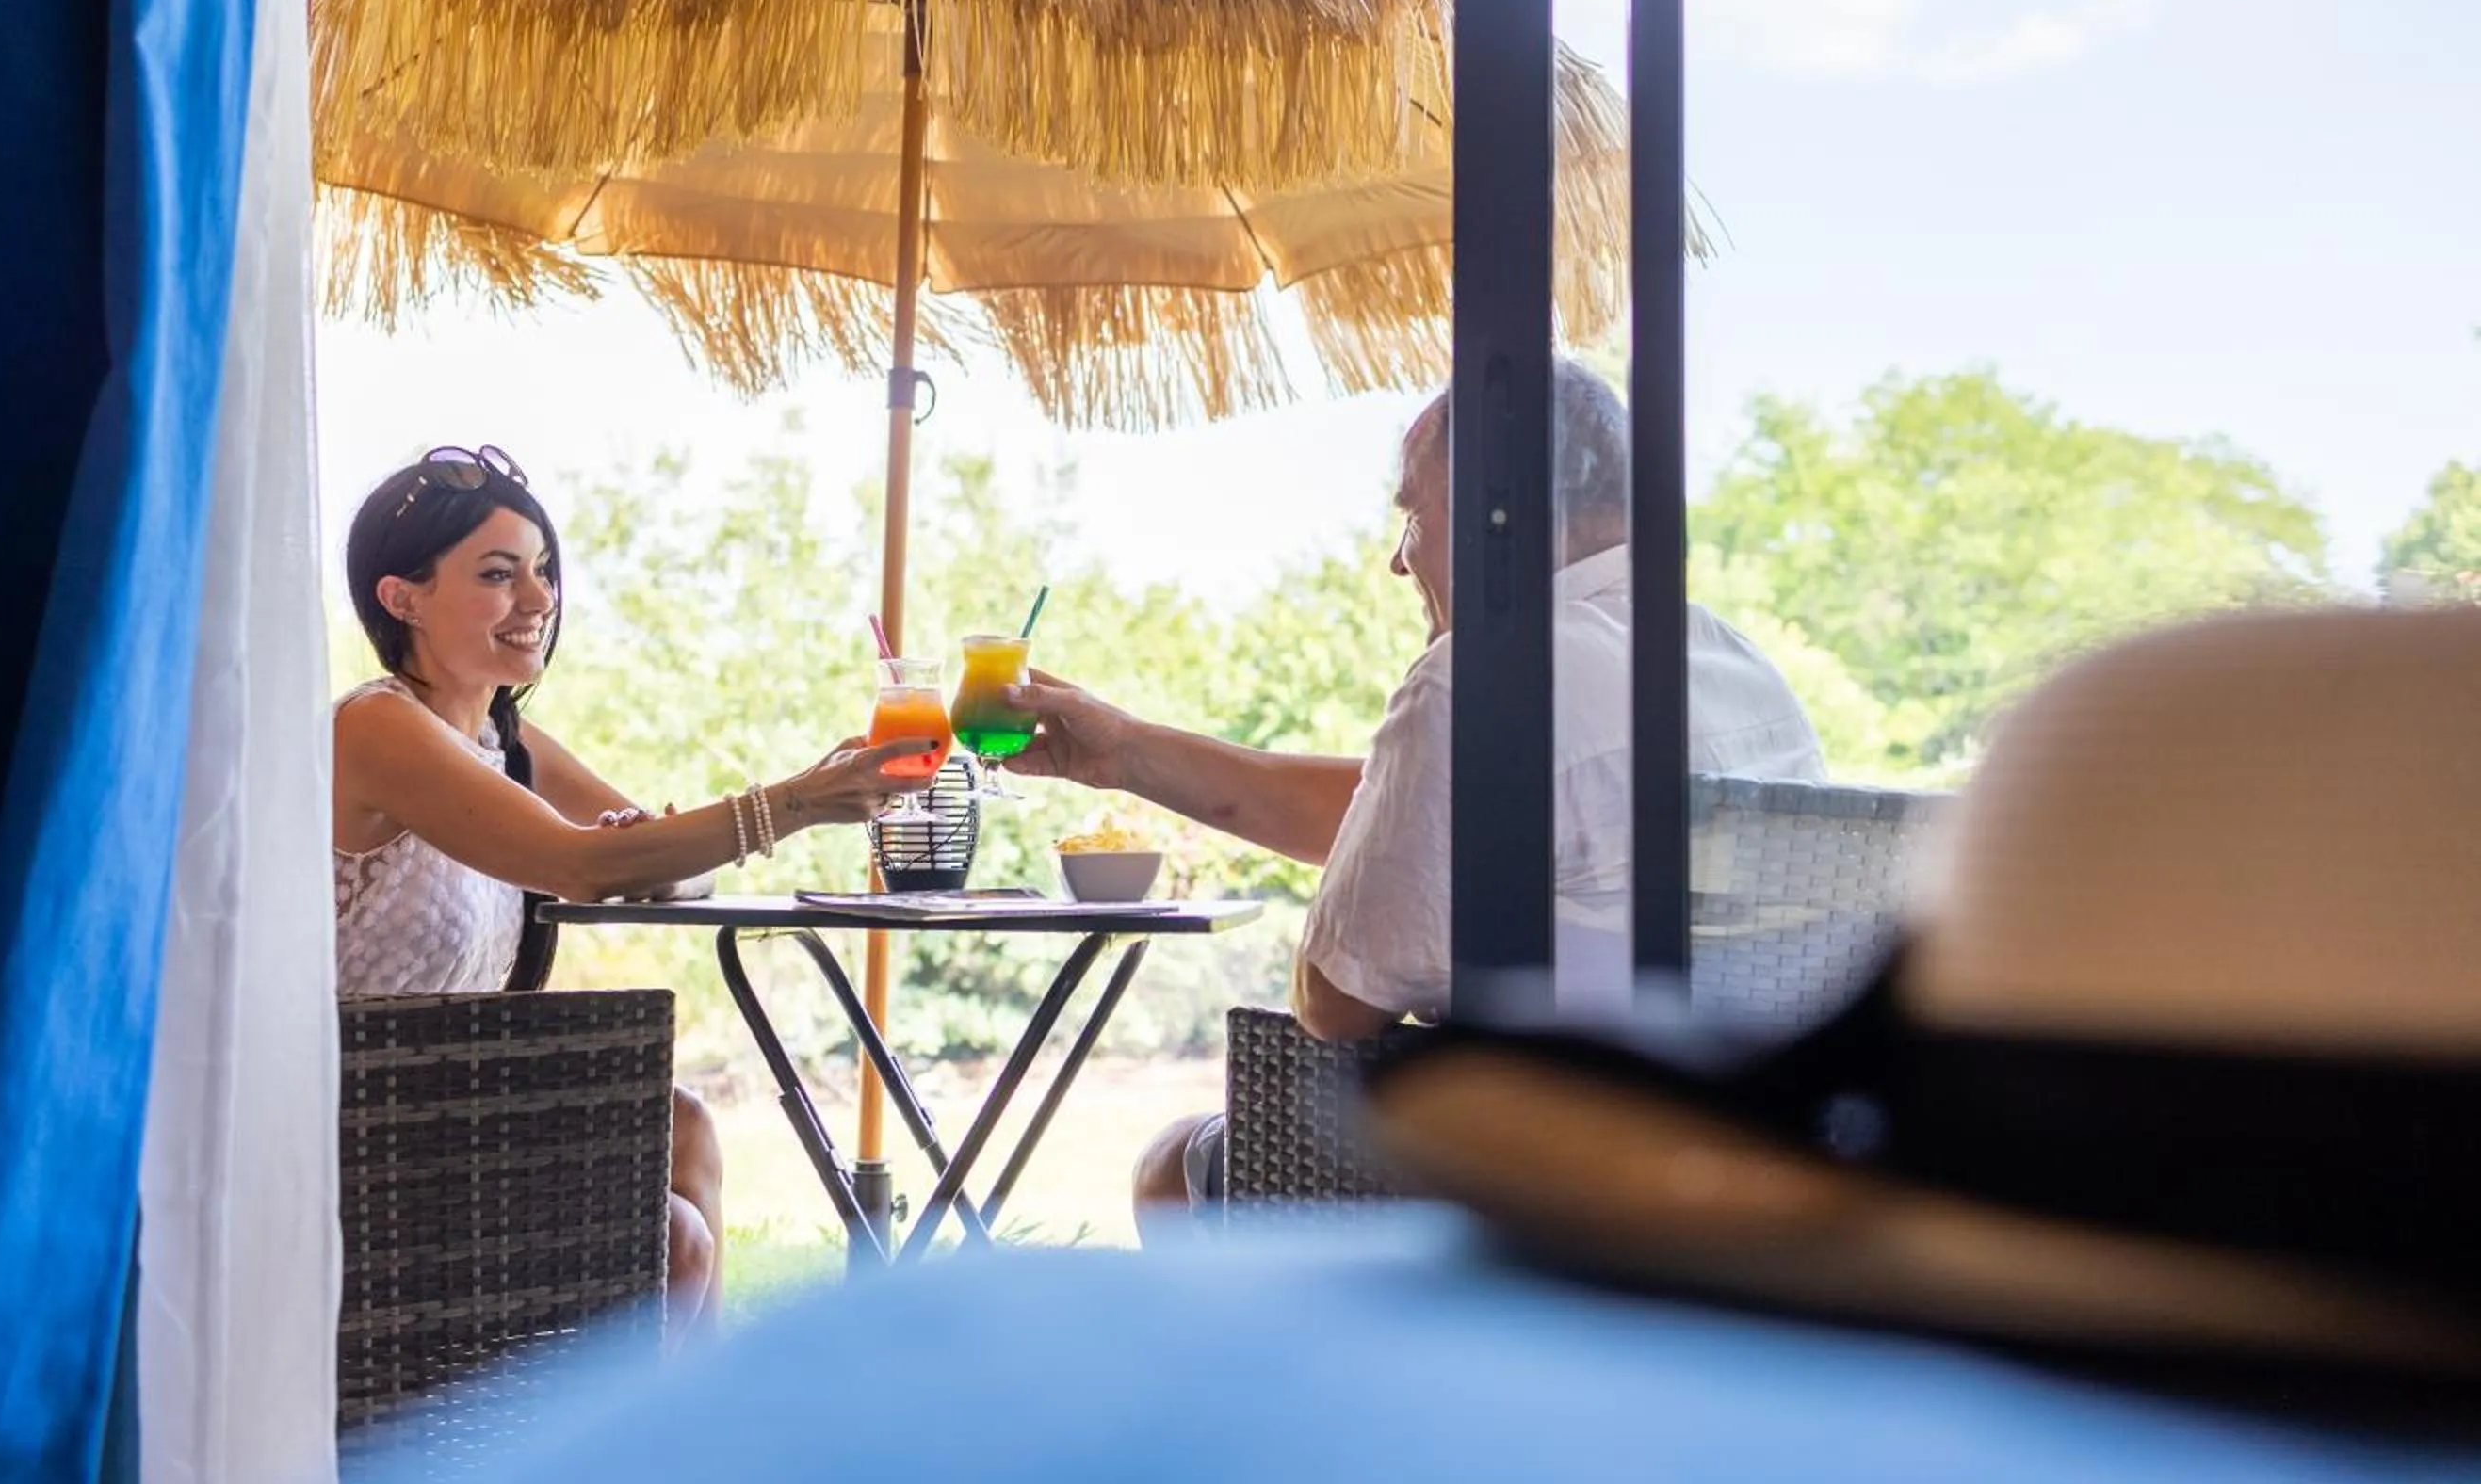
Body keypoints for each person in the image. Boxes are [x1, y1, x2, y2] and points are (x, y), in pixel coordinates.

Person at [1003, 363, 1824, 1228]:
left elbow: (1337, 1003)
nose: (1401, 561)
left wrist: (1358, 895)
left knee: (1174, 1164)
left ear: (1497, 512)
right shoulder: (1726, 660)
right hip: (1736, 1158)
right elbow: (1422, 819)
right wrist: (1125, 751)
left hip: (1539, 1182)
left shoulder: (1482, 681)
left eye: (1415, 517)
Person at [332, 444, 935, 1339]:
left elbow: (662, 861)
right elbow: (582, 866)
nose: (538, 600)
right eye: (498, 575)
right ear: (402, 597)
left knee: (683, 1125)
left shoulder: (510, 740)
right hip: (355, 1116)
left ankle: (699, 1435)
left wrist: (674, 837)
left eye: (541, 572)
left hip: (452, 1091)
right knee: (670, 1242)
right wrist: (797, 804)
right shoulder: (377, 726)